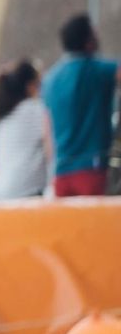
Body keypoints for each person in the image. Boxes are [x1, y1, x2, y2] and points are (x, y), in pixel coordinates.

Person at [41, 13, 119, 197]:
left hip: (60, 173)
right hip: (92, 168)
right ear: (88, 40)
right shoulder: (99, 69)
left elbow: (47, 133)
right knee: (96, 225)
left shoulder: (49, 80)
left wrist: (54, 168)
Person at [0, 60, 52, 201]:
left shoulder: (6, 117)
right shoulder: (35, 110)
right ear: (30, 86)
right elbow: (51, 147)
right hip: (25, 192)